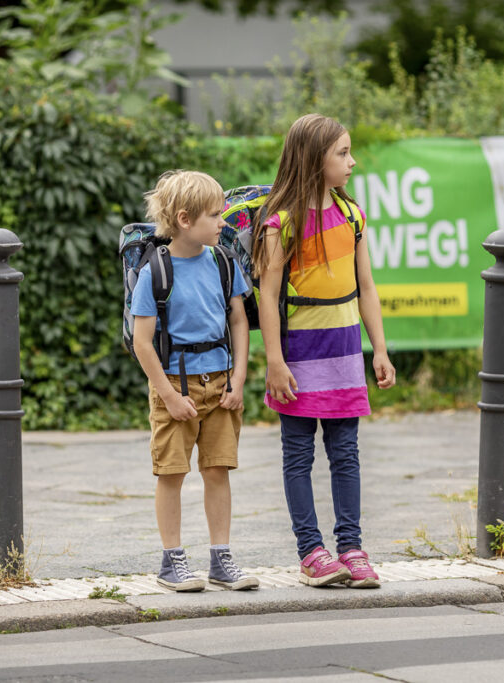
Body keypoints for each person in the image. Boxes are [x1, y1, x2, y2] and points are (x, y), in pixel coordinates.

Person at [250, 113, 396, 588]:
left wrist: (380, 349)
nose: (352, 162)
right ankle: (311, 551)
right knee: (298, 454)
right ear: (316, 160)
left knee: (346, 452)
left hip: (344, 353)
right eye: (343, 153)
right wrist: (274, 360)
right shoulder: (281, 222)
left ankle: (351, 548)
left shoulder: (352, 216)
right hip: (297, 356)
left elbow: (367, 287)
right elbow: (266, 295)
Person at [131, 170, 259, 592]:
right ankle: (172, 562)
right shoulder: (155, 272)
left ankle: (221, 560)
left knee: (218, 469)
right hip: (175, 385)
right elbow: (143, 343)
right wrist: (168, 396)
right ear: (185, 219)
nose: (223, 222)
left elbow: (238, 319)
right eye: (214, 215)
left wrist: (238, 378)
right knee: (171, 473)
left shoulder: (223, 261)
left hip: (221, 385)